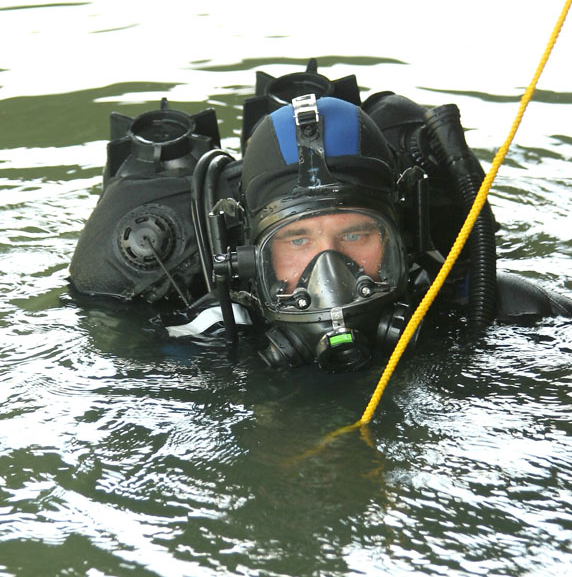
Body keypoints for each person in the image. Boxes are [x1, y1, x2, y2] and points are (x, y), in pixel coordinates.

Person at [69, 60, 572, 372]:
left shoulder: (498, 309)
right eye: (298, 241)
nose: (331, 271)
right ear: (248, 259)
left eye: (356, 233)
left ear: (399, 237)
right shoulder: (210, 341)